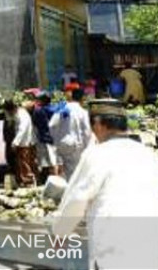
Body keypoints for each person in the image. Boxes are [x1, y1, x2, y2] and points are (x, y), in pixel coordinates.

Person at [52, 100, 158, 269]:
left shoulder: (97, 155)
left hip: (113, 249)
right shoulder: (147, 154)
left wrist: (60, 232)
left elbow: (77, 199)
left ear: (99, 124)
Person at [49, 88, 93, 180]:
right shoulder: (82, 112)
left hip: (64, 143)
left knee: (68, 170)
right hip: (78, 145)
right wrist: (89, 147)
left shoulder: (62, 108)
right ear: (82, 99)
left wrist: (57, 140)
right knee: (79, 171)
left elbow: (51, 125)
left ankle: (69, 188)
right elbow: (87, 131)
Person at [5, 100, 37, 186]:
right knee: (20, 162)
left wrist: (15, 142)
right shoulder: (16, 114)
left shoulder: (22, 115)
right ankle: (23, 180)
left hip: (25, 142)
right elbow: (9, 118)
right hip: (22, 142)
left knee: (24, 162)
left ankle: (28, 180)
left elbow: (22, 130)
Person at [32, 91, 59, 179]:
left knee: (46, 161)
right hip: (55, 138)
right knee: (55, 160)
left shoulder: (38, 111)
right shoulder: (56, 109)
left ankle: (50, 178)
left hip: (43, 138)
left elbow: (35, 124)